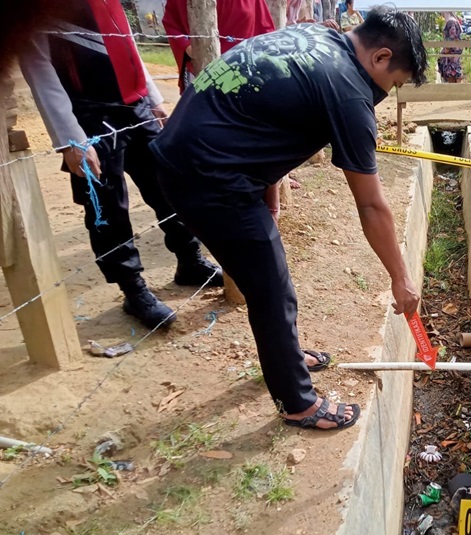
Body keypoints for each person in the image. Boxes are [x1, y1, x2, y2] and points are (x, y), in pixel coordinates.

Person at [150, 9, 427, 430]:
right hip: (208, 178)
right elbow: (371, 205)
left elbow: (261, 113)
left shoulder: (316, 37)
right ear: (381, 57)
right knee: (271, 289)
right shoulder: (350, 90)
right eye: (394, 84)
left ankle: (288, 355)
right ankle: (298, 404)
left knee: (270, 280)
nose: (386, 95)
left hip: (195, 157)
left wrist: (269, 186)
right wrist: (401, 278)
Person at [20, 0, 223, 330]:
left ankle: (190, 260)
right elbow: (38, 67)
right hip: (87, 117)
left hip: (136, 107)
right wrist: (70, 138)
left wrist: (153, 99)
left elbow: (126, 41)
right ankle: (133, 290)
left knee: (166, 184)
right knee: (107, 207)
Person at [163, 0, 275, 93]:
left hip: (243, 71)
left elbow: (265, 28)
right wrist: (188, 47)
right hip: (200, 70)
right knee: (202, 113)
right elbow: (171, 22)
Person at [438, 12, 464, 83]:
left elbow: (450, 41)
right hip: (455, 56)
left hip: (451, 58)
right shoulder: (455, 21)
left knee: (451, 80)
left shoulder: (450, 22)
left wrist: (444, 52)